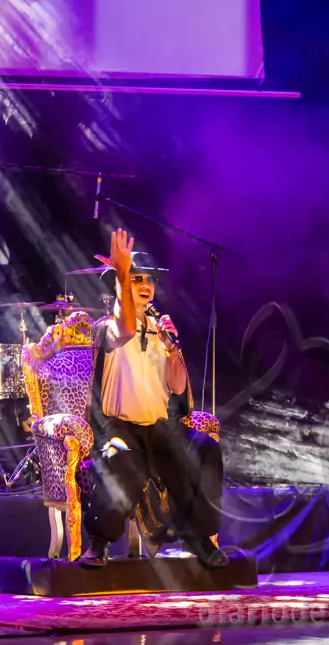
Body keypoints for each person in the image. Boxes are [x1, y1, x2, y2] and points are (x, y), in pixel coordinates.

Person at [81, 229, 227, 568]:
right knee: (120, 459)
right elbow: (127, 328)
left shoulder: (160, 327)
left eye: (149, 280)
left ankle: (199, 538)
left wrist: (172, 349)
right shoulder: (108, 327)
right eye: (137, 279)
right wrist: (121, 273)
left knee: (205, 449)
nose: (146, 285)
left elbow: (177, 387)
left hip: (160, 429)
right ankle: (99, 542)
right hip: (121, 427)